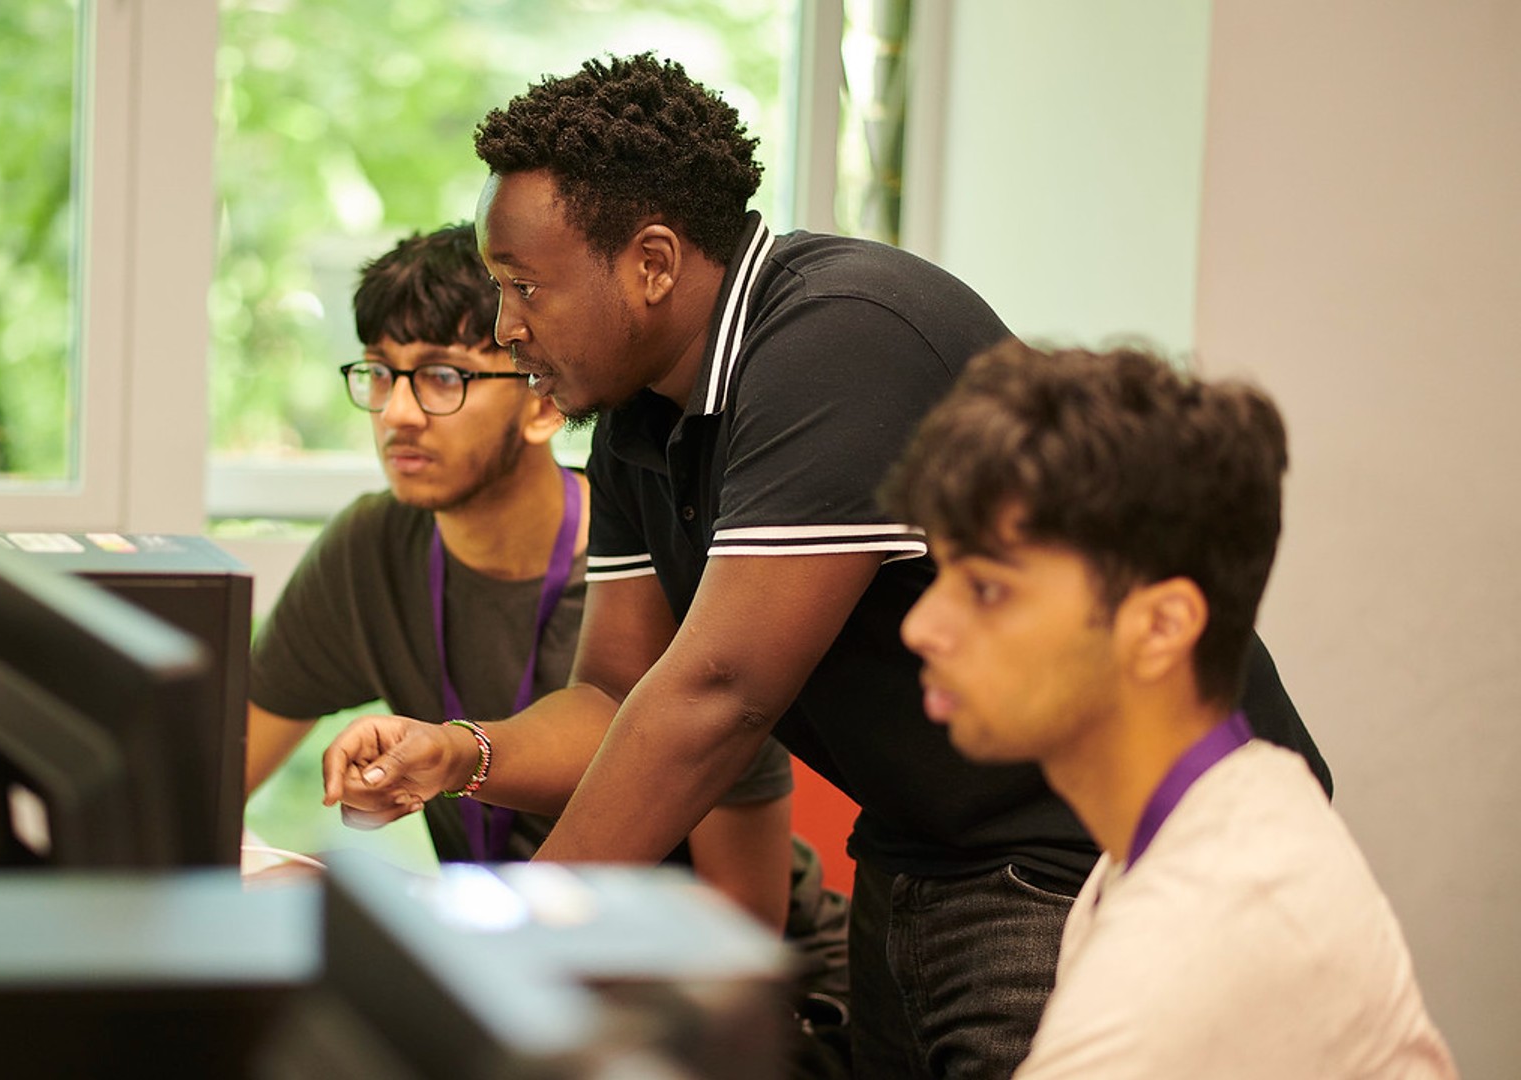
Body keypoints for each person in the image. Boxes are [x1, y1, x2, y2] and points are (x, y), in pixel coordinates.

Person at [319, 54, 1331, 1078]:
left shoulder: (835, 339)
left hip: (1079, 841)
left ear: (654, 263)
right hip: (928, 837)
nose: (506, 325)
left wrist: (500, 946)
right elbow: (619, 698)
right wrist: (463, 753)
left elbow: (720, 694)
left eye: (523, 286)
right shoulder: (635, 415)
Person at [242, 222, 853, 1061]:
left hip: (733, 1004)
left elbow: (738, 927)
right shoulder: (372, 550)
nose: (399, 413)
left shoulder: (651, 582)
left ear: (538, 400)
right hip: (520, 980)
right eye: (381, 374)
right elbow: (210, 769)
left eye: (444, 378)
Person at [885, 342, 1454, 1077]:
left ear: (1160, 627)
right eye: (943, 572)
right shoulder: (1242, 794)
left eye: (987, 589)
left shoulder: (1179, 961)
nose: (919, 627)